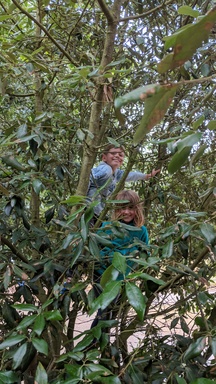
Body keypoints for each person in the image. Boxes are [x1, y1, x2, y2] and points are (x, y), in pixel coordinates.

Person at [90, 189, 149, 331]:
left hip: (120, 278)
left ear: (137, 209)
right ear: (116, 209)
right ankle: (91, 346)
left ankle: (100, 345)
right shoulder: (107, 227)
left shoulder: (141, 231)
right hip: (101, 275)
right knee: (103, 313)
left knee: (109, 314)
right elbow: (94, 247)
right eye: (122, 208)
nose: (126, 212)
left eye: (131, 208)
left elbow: (144, 254)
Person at [87, 144, 160, 220]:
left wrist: (146, 176)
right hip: (87, 208)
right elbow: (89, 177)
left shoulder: (116, 173)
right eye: (113, 153)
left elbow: (130, 175)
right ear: (104, 157)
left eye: (120, 155)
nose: (117, 156)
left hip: (95, 212)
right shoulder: (106, 169)